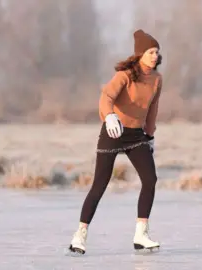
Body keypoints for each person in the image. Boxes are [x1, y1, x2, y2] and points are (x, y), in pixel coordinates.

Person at [68, 29, 163, 255]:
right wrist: (109, 115)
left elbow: (152, 109)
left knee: (150, 179)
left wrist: (150, 135)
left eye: (157, 52)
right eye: (151, 51)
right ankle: (79, 235)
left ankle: (141, 234)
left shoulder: (157, 79)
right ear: (140, 54)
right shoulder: (125, 75)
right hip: (114, 131)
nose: (155, 55)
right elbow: (106, 97)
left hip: (136, 135)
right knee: (99, 185)